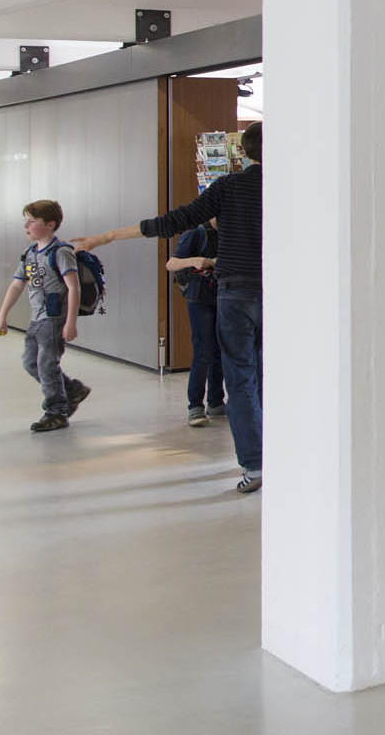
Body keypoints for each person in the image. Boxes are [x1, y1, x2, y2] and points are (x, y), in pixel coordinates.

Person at [74, 121, 263, 493]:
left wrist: (105, 237)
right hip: (283, 294)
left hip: (235, 294)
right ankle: (292, 456)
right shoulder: (293, 188)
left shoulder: (228, 187)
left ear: (243, 152)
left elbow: (171, 222)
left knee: (240, 379)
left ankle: (255, 466)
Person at [0, 200, 91, 433]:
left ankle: (56, 412)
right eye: (25, 221)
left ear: (50, 224)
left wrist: (71, 322)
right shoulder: (30, 254)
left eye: (32, 221)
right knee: (30, 362)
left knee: (47, 365)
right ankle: (72, 390)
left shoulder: (61, 252)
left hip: (54, 319)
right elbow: (17, 286)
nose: (26, 226)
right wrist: (1, 316)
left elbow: (73, 288)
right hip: (37, 320)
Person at [165, 219, 226, 427]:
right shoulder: (196, 233)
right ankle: (195, 406)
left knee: (220, 348)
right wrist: (197, 260)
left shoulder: (231, 231)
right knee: (203, 351)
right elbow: (171, 264)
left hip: (224, 295)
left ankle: (216, 402)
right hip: (199, 298)